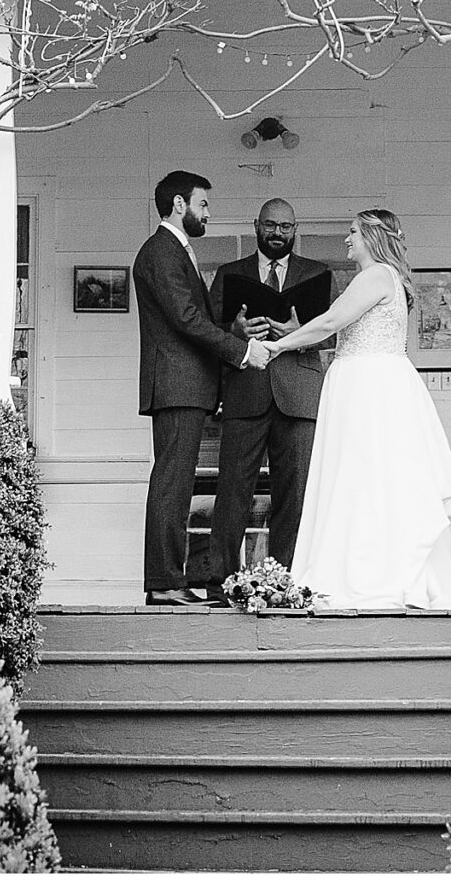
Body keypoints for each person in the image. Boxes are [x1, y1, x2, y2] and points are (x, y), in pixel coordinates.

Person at [260, 208, 451, 609]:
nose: (347, 239)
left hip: (368, 387)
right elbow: (344, 331)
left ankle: (368, 574)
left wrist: (277, 346)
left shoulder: (374, 276)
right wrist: (299, 335)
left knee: (362, 475)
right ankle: (382, 567)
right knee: (372, 477)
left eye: (353, 232)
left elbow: (330, 322)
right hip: (370, 380)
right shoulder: (386, 278)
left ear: (373, 238)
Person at [132, 169, 271, 607]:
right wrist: (242, 351)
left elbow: (194, 316)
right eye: (203, 204)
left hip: (185, 385)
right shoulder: (160, 251)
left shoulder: (176, 250)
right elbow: (186, 320)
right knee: (172, 483)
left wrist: (231, 328)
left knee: (177, 482)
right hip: (176, 385)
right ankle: (164, 583)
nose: (207, 212)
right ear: (179, 204)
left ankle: (169, 580)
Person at [210, 199, 334, 577]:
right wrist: (233, 333)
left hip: (298, 397)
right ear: (256, 226)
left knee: (294, 496)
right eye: (269, 225)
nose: (277, 232)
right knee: (232, 493)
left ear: (295, 229)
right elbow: (209, 332)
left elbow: (332, 334)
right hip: (244, 393)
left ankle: (285, 580)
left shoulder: (318, 273)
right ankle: (221, 580)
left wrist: (299, 335)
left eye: (285, 226)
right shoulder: (230, 273)